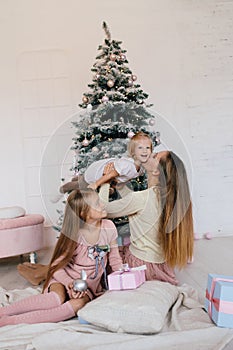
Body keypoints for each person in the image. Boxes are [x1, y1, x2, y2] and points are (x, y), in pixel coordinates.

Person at [17, 151, 194, 287]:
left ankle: (48, 272)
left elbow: (102, 209)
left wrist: (106, 181)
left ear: (156, 170)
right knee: (111, 250)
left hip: (140, 265)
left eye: (154, 156)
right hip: (159, 265)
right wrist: (122, 186)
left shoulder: (143, 198)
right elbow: (136, 203)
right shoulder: (171, 198)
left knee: (93, 256)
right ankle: (48, 270)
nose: (149, 154)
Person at [0, 189, 122, 326]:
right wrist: (69, 283)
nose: (103, 204)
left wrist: (121, 278)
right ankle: (4, 313)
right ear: (83, 213)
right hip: (63, 278)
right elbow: (57, 265)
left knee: (78, 304)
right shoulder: (75, 234)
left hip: (86, 286)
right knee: (57, 298)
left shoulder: (108, 227)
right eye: (97, 203)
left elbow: (115, 259)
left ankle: (10, 322)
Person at [59, 131, 152, 193]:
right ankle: (62, 189)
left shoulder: (140, 170)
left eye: (147, 148)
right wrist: (95, 184)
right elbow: (110, 175)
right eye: (140, 148)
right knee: (81, 185)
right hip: (98, 173)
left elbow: (126, 177)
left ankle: (77, 178)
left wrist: (117, 185)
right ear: (133, 152)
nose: (145, 151)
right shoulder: (128, 166)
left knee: (82, 179)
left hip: (105, 173)